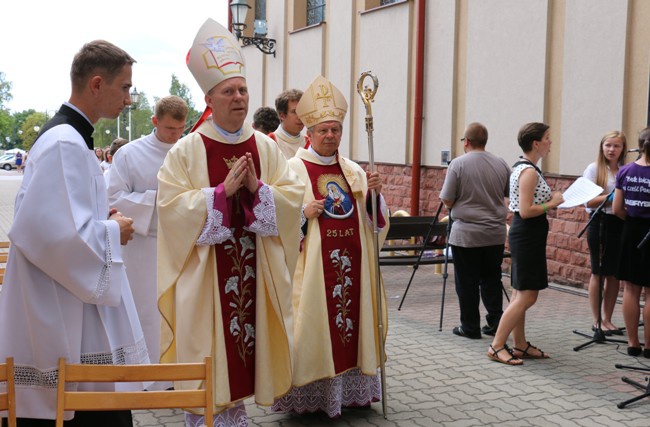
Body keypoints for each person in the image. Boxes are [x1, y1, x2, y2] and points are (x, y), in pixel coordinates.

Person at [156, 18, 304, 427]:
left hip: (256, 272)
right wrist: (220, 195)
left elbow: (292, 198)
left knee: (245, 360)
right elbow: (170, 209)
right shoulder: (186, 151)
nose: (238, 97)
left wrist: (259, 190)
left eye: (242, 89)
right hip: (206, 284)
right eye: (229, 91)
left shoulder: (265, 147)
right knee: (210, 368)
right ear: (210, 97)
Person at [0, 40, 147, 426]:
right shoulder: (64, 142)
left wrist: (103, 216)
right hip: (61, 311)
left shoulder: (69, 138)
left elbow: (64, 219)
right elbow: (53, 239)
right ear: (97, 84)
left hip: (68, 304)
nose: (129, 100)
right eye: (126, 88)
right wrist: (112, 229)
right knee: (81, 410)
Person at [271, 75, 389, 418]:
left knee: (351, 327)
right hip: (310, 271)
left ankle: (351, 395)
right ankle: (310, 398)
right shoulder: (292, 169)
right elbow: (276, 219)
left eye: (335, 130)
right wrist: (303, 216)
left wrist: (374, 196)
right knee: (310, 329)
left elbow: (374, 222)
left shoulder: (352, 170)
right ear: (309, 133)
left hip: (354, 266)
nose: (330, 136)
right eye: (323, 130)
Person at [107, 96, 188, 380]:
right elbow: (113, 198)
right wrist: (159, 201)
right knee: (146, 311)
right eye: (169, 129)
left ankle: (177, 375)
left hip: (181, 246)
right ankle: (147, 377)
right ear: (155, 122)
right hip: (143, 247)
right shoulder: (129, 154)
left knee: (180, 312)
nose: (175, 136)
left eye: (180, 129)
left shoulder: (188, 152)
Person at [487, 122, 563, 365]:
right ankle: (497, 345)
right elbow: (527, 210)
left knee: (520, 292)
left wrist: (550, 199)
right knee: (528, 296)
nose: (551, 142)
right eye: (548, 138)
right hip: (527, 233)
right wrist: (553, 203)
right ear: (536, 143)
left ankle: (520, 344)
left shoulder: (525, 168)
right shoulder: (528, 171)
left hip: (528, 234)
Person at [440, 122, 510, 339]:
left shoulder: (458, 164)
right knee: (492, 279)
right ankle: (496, 323)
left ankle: (469, 327)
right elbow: (507, 194)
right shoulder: (501, 163)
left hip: (466, 235)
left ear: (467, 141)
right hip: (495, 232)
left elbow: (447, 199)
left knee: (466, 281)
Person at [582, 131, 627, 336]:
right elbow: (588, 202)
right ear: (602, 147)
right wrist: (612, 197)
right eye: (608, 145)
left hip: (619, 223)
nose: (611, 149)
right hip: (599, 222)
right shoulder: (593, 169)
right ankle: (596, 319)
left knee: (614, 275)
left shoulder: (625, 170)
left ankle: (608, 319)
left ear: (622, 149)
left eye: (616, 146)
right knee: (598, 272)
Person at [613, 127, 650, 357]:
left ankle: (632, 343)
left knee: (630, 288)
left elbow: (617, 208)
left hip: (631, 231)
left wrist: (634, 218)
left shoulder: (625, 171)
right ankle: (649, 347)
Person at [268, 89, 310, 158]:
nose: (300, 117)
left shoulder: (310, 143)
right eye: (295, 112)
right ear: (281, 115)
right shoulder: (269, 142)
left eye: (302, 111)